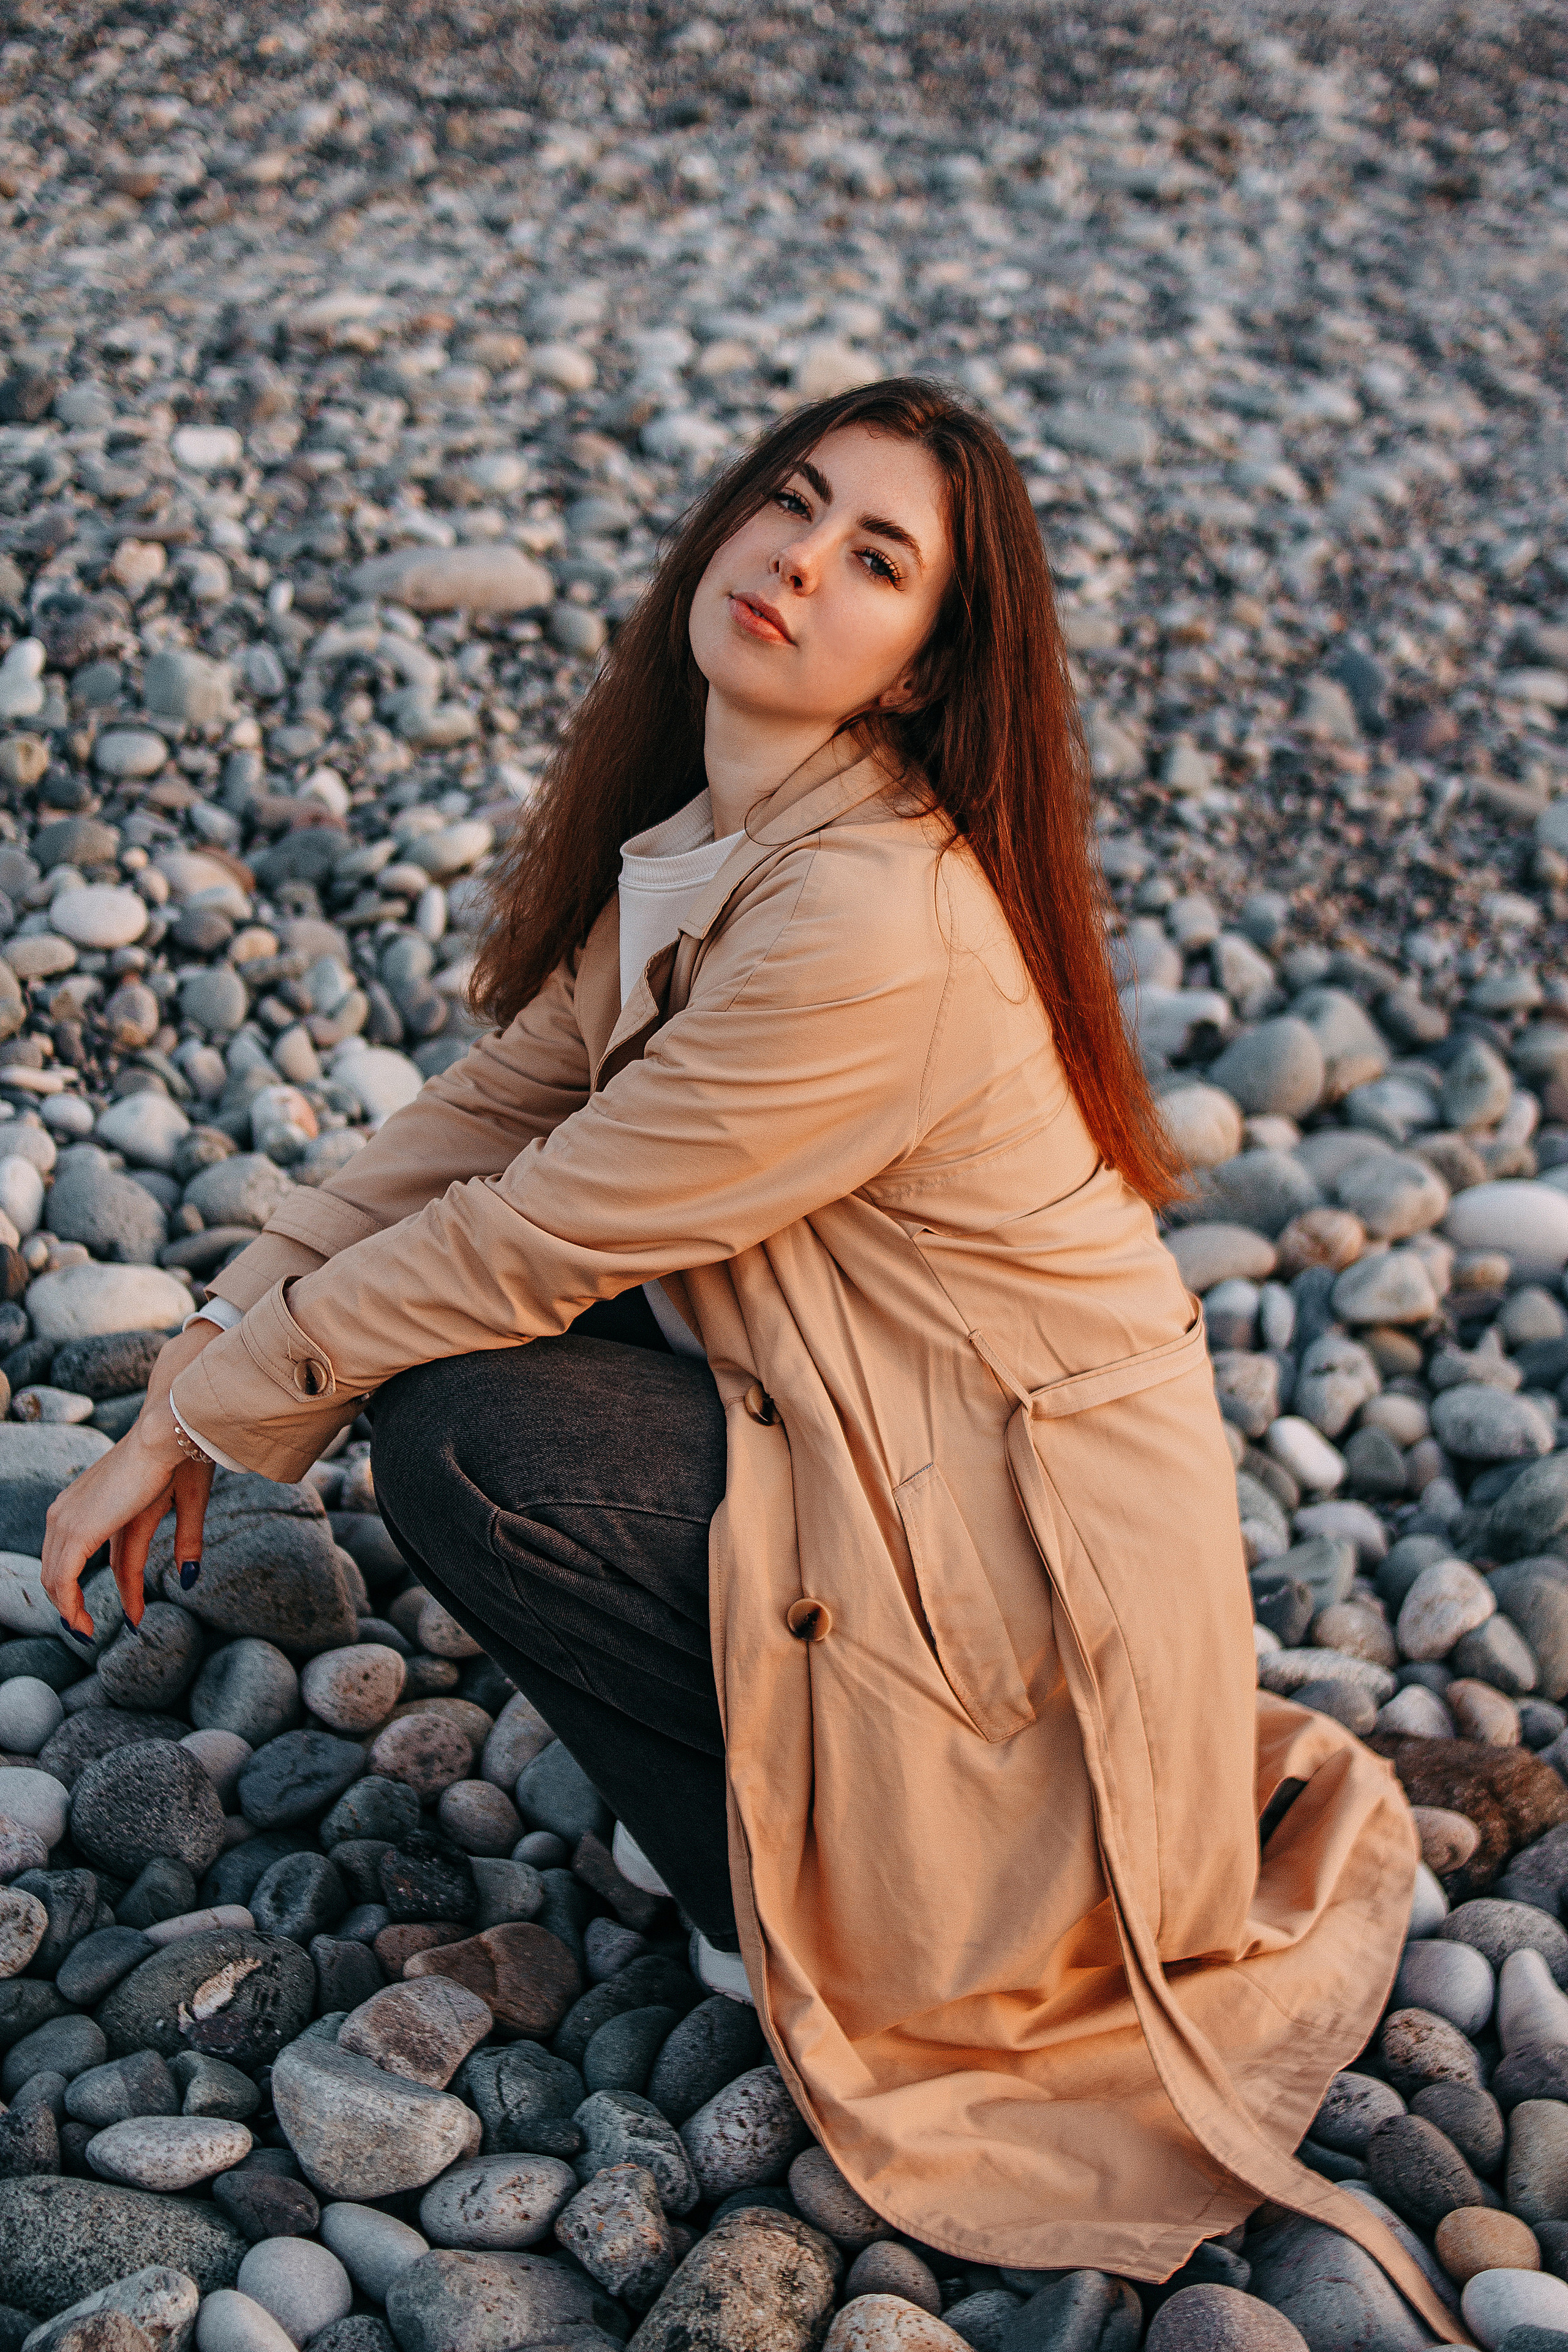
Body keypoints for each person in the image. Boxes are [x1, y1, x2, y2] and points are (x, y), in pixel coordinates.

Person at [40, 379, 1456, 2333]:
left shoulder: (871, 918)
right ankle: (803, 1804)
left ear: (919, 669)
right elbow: (486, 1114)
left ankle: (822, 1922)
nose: (798, 559)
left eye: (876, 560)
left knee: (463, 1430)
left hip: (1022, 1559)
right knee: (469, 1335)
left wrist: (203, 1421)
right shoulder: (730, 828)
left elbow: (528, 1236)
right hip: (896, 1436)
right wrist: (209, 1348)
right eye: (792, 503)